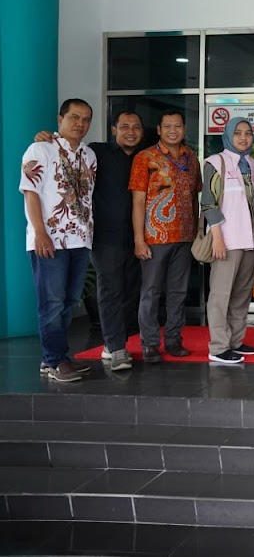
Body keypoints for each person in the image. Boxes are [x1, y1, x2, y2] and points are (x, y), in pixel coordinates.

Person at [35, 110, 145, 371]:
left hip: (138, 236)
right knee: (111, 289)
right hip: (105, 236)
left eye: (136, 127)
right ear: (114, 130)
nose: (130, 132)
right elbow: (67, 148)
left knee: (131, 291)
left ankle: (113, 343)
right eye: (125, 126)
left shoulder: (145, 158)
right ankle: (115, 348)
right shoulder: (98, 152)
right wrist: (46, 137)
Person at [22, 99, 98, 382]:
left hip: (80, 240)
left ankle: (55, 358)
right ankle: (54, 360)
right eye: (74, 117)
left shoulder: (89, 155)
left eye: (86, 119)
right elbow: (30, 192)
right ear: (60, 119)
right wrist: (39, 232)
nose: (80, 123)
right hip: (50, 240)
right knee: (51, 303)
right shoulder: (40, 149)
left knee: (68, 302)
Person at [129, 110, 202, 364]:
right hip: (155, 237)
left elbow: (195, 198)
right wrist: (139, 239)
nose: (173, 130)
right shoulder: (144, 158)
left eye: (178, 126)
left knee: (178, 292)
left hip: (184, 237)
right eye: (168, 126)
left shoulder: (191, 158)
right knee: (151, 292)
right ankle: (149, 343)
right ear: (159, 130)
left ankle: (173, 339)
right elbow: (138, 201)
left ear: (184, 129)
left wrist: (196, 232)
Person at [202, 117, 254, 364]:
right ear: (227, 135)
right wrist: (217, 237)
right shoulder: (216, 163)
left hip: (250, 241)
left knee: (241, 294)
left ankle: (236, 341)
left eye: (248, 133)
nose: (243, 138)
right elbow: (208, 202)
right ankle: (218, 347)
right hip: (226, 240)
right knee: (221, 295)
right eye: (237, 133)